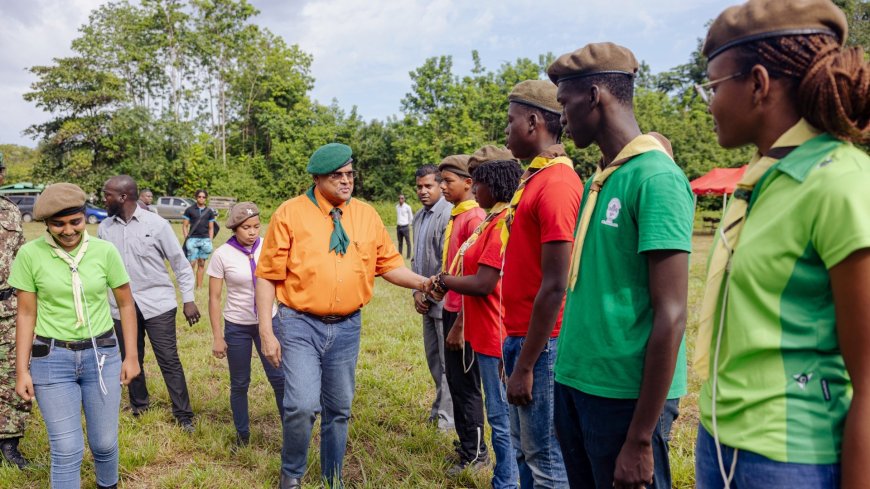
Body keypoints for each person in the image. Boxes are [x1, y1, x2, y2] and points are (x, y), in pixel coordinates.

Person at [692, 1, 869, 487]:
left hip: (791, 461)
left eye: (713, 86)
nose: (708, 104)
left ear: (758, 83)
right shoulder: (761, 181)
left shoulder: (839, 183)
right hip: (717, 440)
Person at [548, 43, 694, 489]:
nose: (561, 118)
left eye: (565, 102)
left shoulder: (656, 177)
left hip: (624, 396)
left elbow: (672, 314)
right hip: (576, 381)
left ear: (595, 96)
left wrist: (641, 437)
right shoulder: (598, 179)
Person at [254, 143, 435, 489]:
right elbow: (267, 275)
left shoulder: (366, 215)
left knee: (339, 408)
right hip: (298, 323)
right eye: (337, 175)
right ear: (317, 178)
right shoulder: (289, 213)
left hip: (348, 326)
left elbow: (390, 266)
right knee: (302, 405)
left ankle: (331, 478)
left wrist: (425, 282)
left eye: (350, 174)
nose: (346, 181)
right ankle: (291, 473)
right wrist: (266, 330)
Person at [9, 183, 140, 489]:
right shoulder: (30, 255)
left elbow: (125, 303)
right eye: (58, 224)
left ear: (84, 217)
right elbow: (26, 314)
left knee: (105, 443)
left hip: (102, 356)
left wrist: (131, 356)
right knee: (67, 449)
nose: (68, 231)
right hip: (52, 360)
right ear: (46, 224)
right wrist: (21, 371)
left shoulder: (104, 251)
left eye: (75, 222)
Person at [501, 79, 580, 488]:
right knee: (522, 453)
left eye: (510, 121)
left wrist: (527, 363)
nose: (506, 131)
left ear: (533, 122)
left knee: (546, 461)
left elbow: (555, 283)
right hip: (522, 338)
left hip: (543, 345)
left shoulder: (558, 183)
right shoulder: (533, 179)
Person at [433, 154, 524, 489]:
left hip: (496, 332)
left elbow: (484, 282)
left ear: (493, 185)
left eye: (479, 182)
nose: (474, 189)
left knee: (501, 417)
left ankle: (506, 482)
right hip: (484, 332)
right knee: (499, 413)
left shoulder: (500, 224)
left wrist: (444, 281)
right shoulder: (490, 220)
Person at [99, 175, 200, 431]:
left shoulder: (157, 225)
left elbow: (179, 263)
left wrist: (188, 299)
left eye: (107, 194)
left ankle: (183, 414)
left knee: (168, 359)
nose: (104, 198)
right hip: (121, 306)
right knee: (131, 356)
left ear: (123, 197)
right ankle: (139, 405)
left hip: (158, 304)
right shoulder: (105, 228)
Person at [206, 202, 283, 448]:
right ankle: (242, 435)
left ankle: (291, 431)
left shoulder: (269, 249)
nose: (252, 232)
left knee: (280, 378)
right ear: (235, 228)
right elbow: (214, 298)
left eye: (256, 227)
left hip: (269, 322)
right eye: (246, 228)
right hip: (237, 325)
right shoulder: (222, 255)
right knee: (240, 383)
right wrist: (218, 337)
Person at [437, 153, 489, 474]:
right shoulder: (456, 216)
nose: (443, 186)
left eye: (448, 181)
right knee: (455, 382)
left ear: (468, 183)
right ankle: (467, 444)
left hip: (464, 318)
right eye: (441, 180)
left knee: (467, 384)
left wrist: (461, 322)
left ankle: (477, 454)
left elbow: (476, 279)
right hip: (450, 309)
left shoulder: (474, 219)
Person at [410, 164, 454, 431]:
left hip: (444, 302)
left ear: (440, 185)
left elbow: (448, 262)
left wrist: (432, 294)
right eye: (419, 186)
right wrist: (417, 291)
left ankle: (447, 421)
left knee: (449, 365)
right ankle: (439, 409)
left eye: (429, 186)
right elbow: (416, 259)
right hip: (425, 300)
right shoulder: (419, 216)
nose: (423, 191)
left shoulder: (448, 214)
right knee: (434, 360)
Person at [0, 153, 29, 469]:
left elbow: (22, 261)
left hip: (7, 308)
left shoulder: (10, 212)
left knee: (12, 375)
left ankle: (9, 444)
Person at [182, 189, 216, 289]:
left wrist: (210, 240)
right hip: (192, 240)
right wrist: (186, 238)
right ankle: (189, 286)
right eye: (199, 196)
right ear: (196, 197)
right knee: (191, 263)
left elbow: (211, 227)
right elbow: (185, 226)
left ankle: (199, 287)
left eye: (203, 197)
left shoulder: (209, 211)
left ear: (206, 198)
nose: (201, 198)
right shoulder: (189, 210)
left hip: (205, 240)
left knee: (201, 264)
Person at [395, 194, 413, 258]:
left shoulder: (407, 207)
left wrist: (410, 225)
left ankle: (408, 256)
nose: (400, 200)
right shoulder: (397, 207)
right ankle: (400, 255)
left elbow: (411, 217)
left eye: (402, 198)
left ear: (404, 199)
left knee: (408, 242)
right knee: (400, 242)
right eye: (399, 198)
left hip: (405, 227)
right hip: (399, 227)